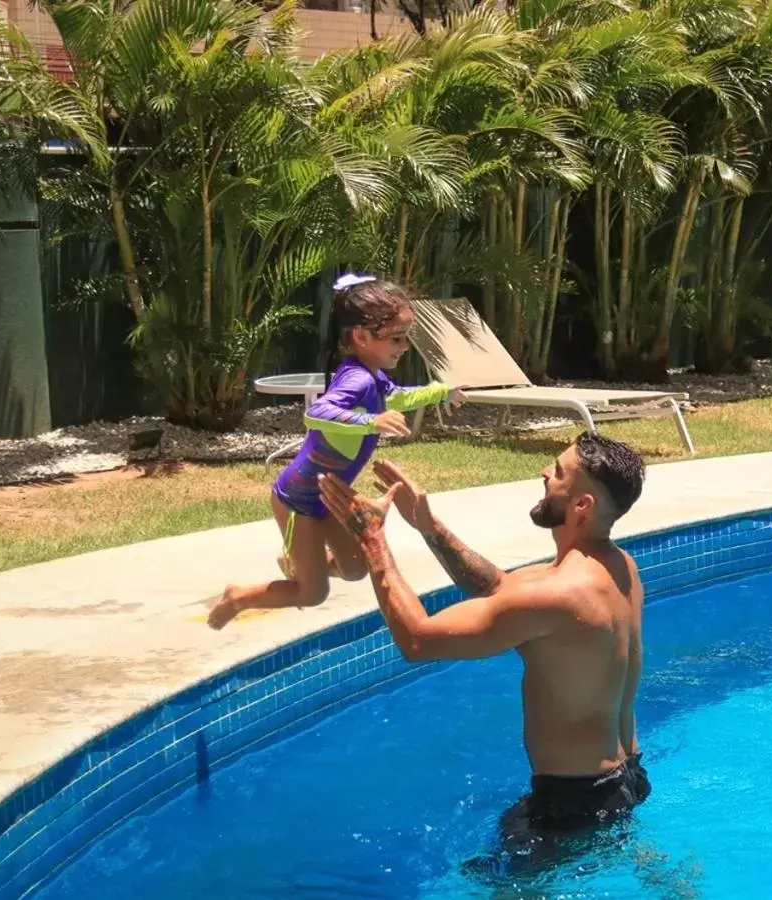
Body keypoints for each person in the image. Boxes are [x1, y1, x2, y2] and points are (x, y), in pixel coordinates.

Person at [317, 432, 652, 875]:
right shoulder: (617, 567)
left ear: (581, 506)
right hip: (626, 778)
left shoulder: (558, 595)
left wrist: (372, 539)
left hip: (575, 805)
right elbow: (499, 588)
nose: (544, 474)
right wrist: (428, 526)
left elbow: (417, 640)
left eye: (557, 471)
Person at [207, 274, 461, 630]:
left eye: (406, 338)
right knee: (312, 594)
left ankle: (301, 559)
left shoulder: (371, 375)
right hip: (299, 500)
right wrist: (371, 422)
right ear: (361, 337)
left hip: (327, 496)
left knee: (356, 568)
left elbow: (397, 396)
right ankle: (238, 597)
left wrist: (440, 392)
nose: (404, 347)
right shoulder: (357, 379)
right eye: (397, 338)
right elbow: (316, 413)